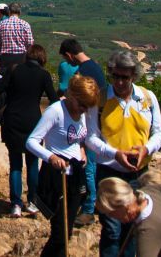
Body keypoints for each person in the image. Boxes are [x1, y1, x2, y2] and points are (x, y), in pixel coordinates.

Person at [86, 49, 161, 257]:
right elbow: (91, 138)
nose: (119, 82)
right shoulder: (101, 99)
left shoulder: (147, 98)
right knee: (112, 229)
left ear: (133, 76)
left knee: (133, 228)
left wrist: (146, 149)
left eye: (125, 77)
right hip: (110, 171)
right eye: (115, 76)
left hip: (139, 173)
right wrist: (115, 153)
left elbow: (159, 133)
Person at [26, 76, 101, 257]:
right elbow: (31, 141)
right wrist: (50, 156)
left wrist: (82, 150)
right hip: (56, 175)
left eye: (87, 106)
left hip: (75, 173)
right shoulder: (55, 111)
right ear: (72, 95)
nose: (84, 110)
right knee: (60, 232)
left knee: (67, 230)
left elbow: (81, 139)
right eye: (81, 104)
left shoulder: (85, 113)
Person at [0, 43, 58, 217]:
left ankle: (15, 204)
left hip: (12, 120)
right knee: (32, 164)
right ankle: (32, 201)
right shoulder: (44, 75)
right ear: (42, 58)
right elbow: (53, 99)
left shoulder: (14, 70)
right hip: (33, 122)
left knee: (15, 164)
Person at [57, 37, 107, 225]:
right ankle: (92, 204)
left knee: (89, 166)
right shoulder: (94, 66)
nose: (67, 62)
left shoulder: (84, 72)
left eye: (66, 58)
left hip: (90, 125)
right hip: (98, 122)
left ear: (69, 55)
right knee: (92, 167)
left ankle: (88, 210)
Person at [97, 177, 161, 257]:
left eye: (110, 213)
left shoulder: (147, 233)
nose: (110, 216)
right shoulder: (151, 192)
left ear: (124, 206)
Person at [0, 3, 33, 74]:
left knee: (5, 81)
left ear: (9, 12)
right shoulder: (25, 24)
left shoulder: (0, 24)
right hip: (21, 57)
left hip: (5, 57)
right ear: (19, 12)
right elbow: (30, 43)